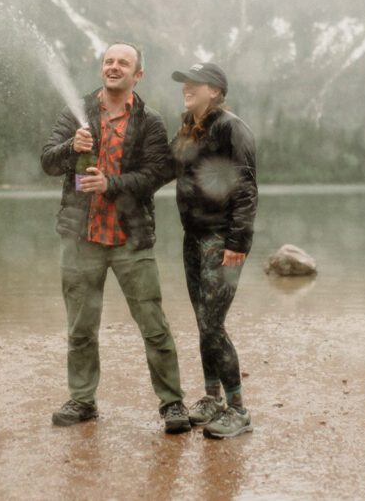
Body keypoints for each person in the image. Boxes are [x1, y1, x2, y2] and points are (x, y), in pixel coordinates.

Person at [40, 42, 190, 434]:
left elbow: (156, 175)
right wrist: (71, 147)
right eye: (108, 61)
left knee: (153, 324)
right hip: (80, 236)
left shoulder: (150, 121)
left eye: (123, 63)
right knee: (81, 328)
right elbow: (48, 161)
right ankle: (82, 400)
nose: (114, 67)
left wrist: (111, 184)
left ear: (137, 75)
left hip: (130, 238)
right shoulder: (78, 114)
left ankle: (172, 404)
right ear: (101, 69)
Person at [169, 62, 258, 439]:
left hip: (221, 239)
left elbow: (245, 187)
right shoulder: (189, 127)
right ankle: (211, 397)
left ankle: (238, 409)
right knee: (203, 322)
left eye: (196, 83)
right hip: (193, 236)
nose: (187, 87)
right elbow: (170, 171)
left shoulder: (230, 127)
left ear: (216, 91)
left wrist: (238, 242)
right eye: (185, 83)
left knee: (212, 324)